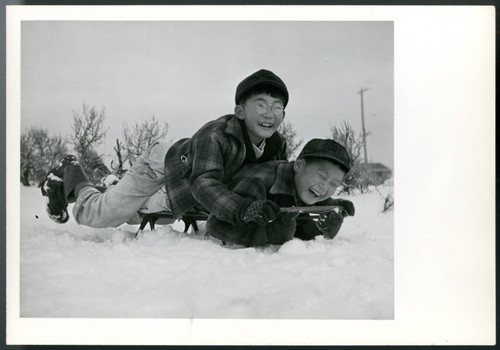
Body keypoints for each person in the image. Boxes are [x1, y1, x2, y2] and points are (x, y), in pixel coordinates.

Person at [41, 69, 290, 228]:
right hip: (162, 164)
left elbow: (274, 184)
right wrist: (241, 209)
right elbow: (204, 182)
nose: (269, 114)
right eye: (260, 105)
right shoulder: (216, 135)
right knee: (102, 215)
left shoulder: (276, 145)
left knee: (139, 212)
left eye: (277, 107)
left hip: (185, 174)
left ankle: (111, 189)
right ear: (239, 112)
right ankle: (70, 171)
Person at [205, 138, 356, 247]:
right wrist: (267, 235)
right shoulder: (259, 182)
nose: (324, 188)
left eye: (334, 184)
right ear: (298, 165)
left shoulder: (303, 183)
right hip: (211, 198)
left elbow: (299, 217)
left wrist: (329, 214)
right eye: (322, 176)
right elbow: (215, 225)